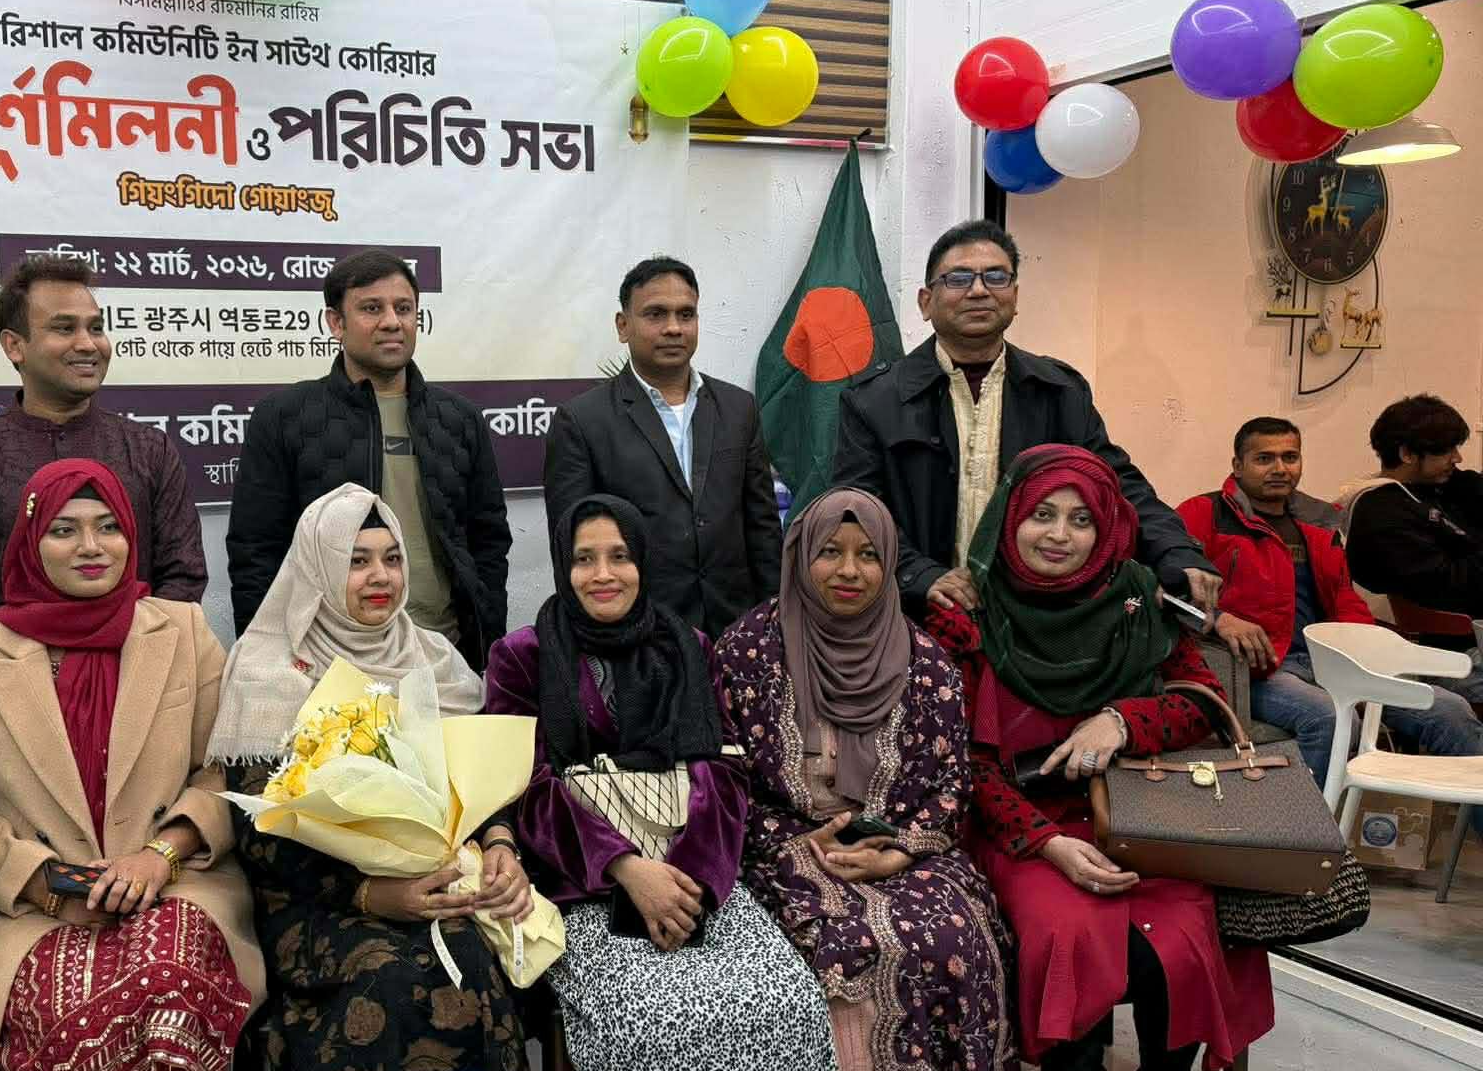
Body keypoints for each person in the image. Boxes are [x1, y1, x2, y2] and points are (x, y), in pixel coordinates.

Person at [485, 494, 856, 1071]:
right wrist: (628, 870)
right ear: (563, 567)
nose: (604, 574)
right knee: (654, 1024)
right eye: (585, 559)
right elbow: (524, 787)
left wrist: (687, 880)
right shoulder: (522, 657)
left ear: (644, 563)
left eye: (620, 557)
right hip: (585, 890)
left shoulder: (688, 646)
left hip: (697, 877)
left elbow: (726, 771)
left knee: (788, 1005)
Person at [928, 446, 1273, 1071]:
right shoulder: (968, 618)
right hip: (1024, 829)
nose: (1060, 535)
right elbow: (962, 763)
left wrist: (1123, 719)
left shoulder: (1141, 599)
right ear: (1010, 519)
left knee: (1180, 941)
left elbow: (1201, 703)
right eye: (1042, 515)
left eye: (1082, 520)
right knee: (1068, 933)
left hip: (1148, 818)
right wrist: (1046, 843)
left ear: (1109, 527)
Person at [0, 460, 262, 1071]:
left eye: (108, 527)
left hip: (174, 884)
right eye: (65, 530)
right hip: (31, 908)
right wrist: (49, 884)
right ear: (30, 541)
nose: (91, 546)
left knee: (165, 986)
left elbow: (224, 771)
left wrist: (161, 854)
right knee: (70, 1011)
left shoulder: (181, 629)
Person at [208, 483, 535, 1071]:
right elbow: (258, 832)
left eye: (391, 558)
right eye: (356, 560)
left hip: (430, 883)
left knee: (472, 964)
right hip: (311, 903)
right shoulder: (269, 671)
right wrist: (369, 893)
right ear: (319, 567)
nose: (379, 576)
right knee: (383, 977)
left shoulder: (432, 658)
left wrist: (500, 844)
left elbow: (480, 788)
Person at [714, 488, 1027, 1071]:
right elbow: (724, 782)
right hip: (784, 853)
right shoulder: (747, 652)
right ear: (801, 558)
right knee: (842, 949)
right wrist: (800, 844)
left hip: (906, 848)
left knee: (952, 935)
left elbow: (950, 784)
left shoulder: (925, 661)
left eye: (868, 555)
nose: (849, 571)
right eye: (830, 552)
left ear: (890, 564)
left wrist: (901, 848)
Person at [830, 219, 1218, 619]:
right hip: (913, 614)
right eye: (958, 278)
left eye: (996, 277)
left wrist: (1176, 550)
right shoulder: (874, 400)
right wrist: (922, 575)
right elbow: (856, 507)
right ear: (926, 302)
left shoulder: (1059, 391)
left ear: (1014, 297)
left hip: (1034, 618)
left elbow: (1118, 486)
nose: (979, 290)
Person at [226, 249, 512, 669]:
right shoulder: (284, 418)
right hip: (329, 661)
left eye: (404, 308)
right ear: (335, 323)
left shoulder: (459, 419)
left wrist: (488, 640)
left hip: (445, 652)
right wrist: (273, 660)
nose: (392, 322)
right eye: (372, 308)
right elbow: (255, 552)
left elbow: (488, 542)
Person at [1180, 416, 1483, 787]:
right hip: (1255, 669)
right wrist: (1220, 617)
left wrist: (1371, 651)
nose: (1280, 468)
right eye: (1264, 459)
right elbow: (1165, 589)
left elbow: (1342, 596)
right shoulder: (1203, 513)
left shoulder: (1320, 518)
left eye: (1290, 457)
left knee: (1450, 710)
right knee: (1332, 718)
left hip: (1332, 660)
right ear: (1238, 465)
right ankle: (1305, 824)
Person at [0, 254, 207, 633]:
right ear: (14, 346)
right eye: (65, 328)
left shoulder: (150, 450)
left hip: (138, 661)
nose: (88, 344)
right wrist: (24, 658)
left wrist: (129, 652)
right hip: (6, 666)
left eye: (96, 328)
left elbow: (183, 576)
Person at [542, 258, 782, 638]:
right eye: (656, 314)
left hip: (735, 632)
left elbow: (763, 532)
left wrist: (771, 624)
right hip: (639, 638)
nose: (673, 327)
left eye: (686, 314)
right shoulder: (582, 422)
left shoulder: (739, 409)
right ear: (623, 326)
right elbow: (572, 549)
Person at [1338, 393, 1483, 619]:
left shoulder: (1442, 483)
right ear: (1407, 454)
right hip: (1449, 631)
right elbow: (1448, 586)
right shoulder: (1381, 513)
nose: (1457, 458)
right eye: (1446, 450)